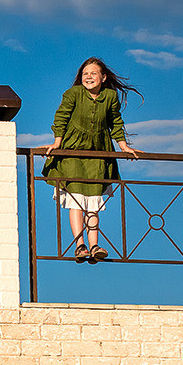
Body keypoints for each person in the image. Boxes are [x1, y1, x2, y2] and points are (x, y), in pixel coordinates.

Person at [44, 57, 142, 263]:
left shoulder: (110, 96)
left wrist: (123, 147)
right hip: (72, 153)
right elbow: (61, 117)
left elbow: (115, 121)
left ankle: (94, 245)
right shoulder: (73, 94)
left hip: (98, 153)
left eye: (93, 73)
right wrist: (57, 143)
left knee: (93, 203)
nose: (89, 77)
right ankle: (80, 247)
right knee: (76, 201)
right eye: (85, 74)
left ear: (103, 77)